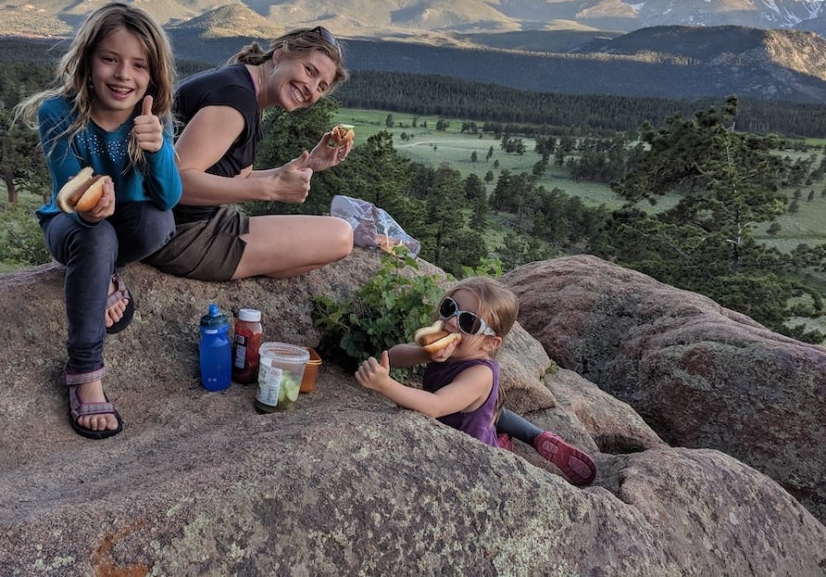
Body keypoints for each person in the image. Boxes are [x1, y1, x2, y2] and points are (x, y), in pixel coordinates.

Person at [16, 2, 182, 440]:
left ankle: (106, 274)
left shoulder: (151, 119)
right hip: (68, 224)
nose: (123, 74)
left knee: (156, 224)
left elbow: (168, 200)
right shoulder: (58, 113)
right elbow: (69, 192)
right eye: (110, 58)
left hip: (125, 224)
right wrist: (90, 210)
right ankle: (85, 370)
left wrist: (158, 148)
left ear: (153, 75)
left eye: (138, 65)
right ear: (88, 61)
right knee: (95, 236)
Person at [145, 26, 354, 281]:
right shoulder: (236, 101)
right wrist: (270, 189)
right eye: (309, 70)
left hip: (195, 222)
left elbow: (229, 176)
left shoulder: (242, 87)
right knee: (340, 236)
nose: (311, 88)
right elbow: (178, 182)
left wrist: (308, 164)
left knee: (309, 253)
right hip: (181, 235)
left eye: (322, 86)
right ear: (279, 56)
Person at [355, 277, 597, 486]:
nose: (451, 322)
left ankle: (508, 444)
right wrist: (425, 352)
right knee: (491, 411)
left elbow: (436, 405)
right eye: (449, 308)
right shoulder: (447, 349)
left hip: (474, 453)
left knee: (487, 414)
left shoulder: (481, 374)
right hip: (461, 413)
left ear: (490, 343)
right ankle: (536, 436)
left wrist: (386, 386)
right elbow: (394, 356)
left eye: (468, 322)